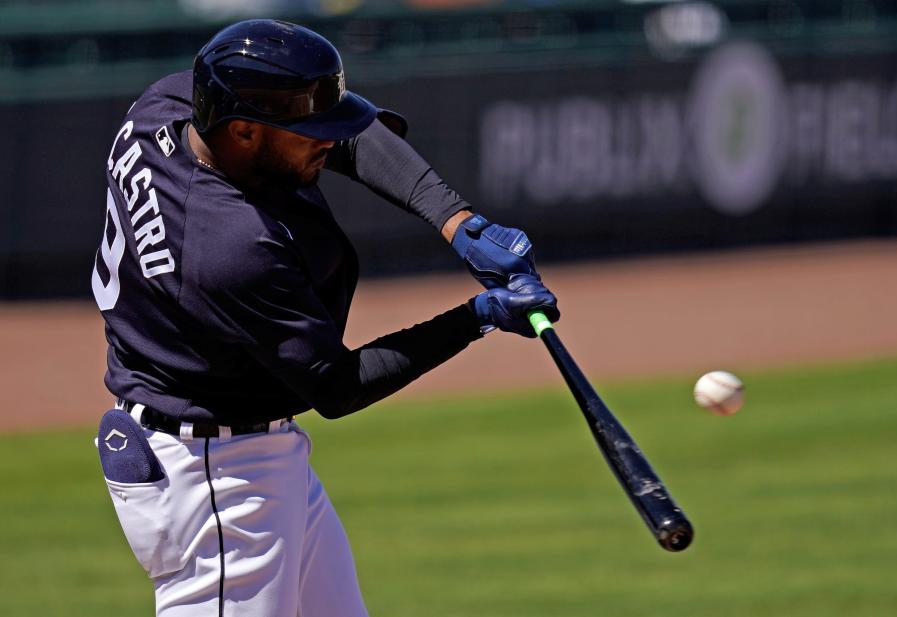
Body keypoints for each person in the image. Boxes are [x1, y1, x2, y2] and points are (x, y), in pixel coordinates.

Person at [91, 18, 559, 617]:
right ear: (244, 132)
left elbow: (355, 136)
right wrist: (479, 315)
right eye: (309, 131)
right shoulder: (228, 248)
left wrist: (457, 223)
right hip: (218, 486)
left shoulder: (170, 106)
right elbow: (336, 386)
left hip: (232, 448)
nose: (328, 142)